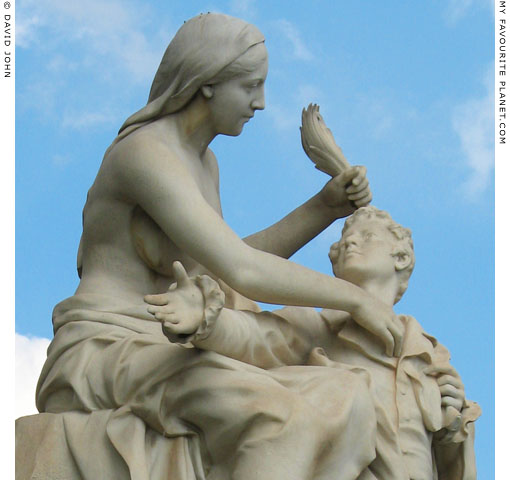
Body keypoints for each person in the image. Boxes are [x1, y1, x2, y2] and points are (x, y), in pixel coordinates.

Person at [31, 13, 400, 480]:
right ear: (207, 80)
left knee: (341, 395)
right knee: (282, 413)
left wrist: (324, 207)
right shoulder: (145, 152)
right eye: (251, 86)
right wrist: (356, 298)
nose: (261, 103)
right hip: (104, 349)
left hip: (163, 345)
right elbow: (241, 269)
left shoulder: (205, 165)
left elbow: (218, 267)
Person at [149, 206, 481, 479]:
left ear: (401, 258)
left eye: (366, 237)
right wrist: (208, 319)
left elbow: (449, 465)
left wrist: (454, 432)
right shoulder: (318, 326)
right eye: (345, 240)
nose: (350, 243)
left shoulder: (431, 355)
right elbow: (256, 337)